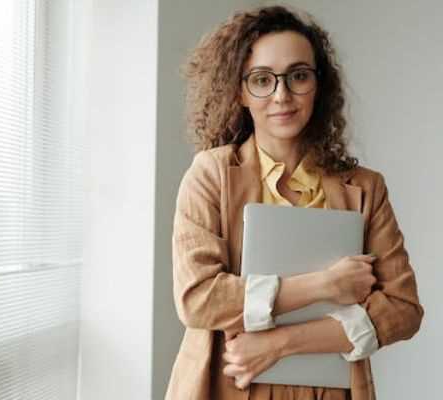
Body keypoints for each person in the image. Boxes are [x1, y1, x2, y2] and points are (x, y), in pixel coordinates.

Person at [166, 5, 424, 400]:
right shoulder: (211, 174)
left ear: (318, 85)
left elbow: (403, 310)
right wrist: (325, 284)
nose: (281, 95)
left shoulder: (366, 188)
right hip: (225, 386)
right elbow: (199, 298)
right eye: (262, 80)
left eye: (298, 76)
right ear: (239, 90)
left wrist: (278, 343)